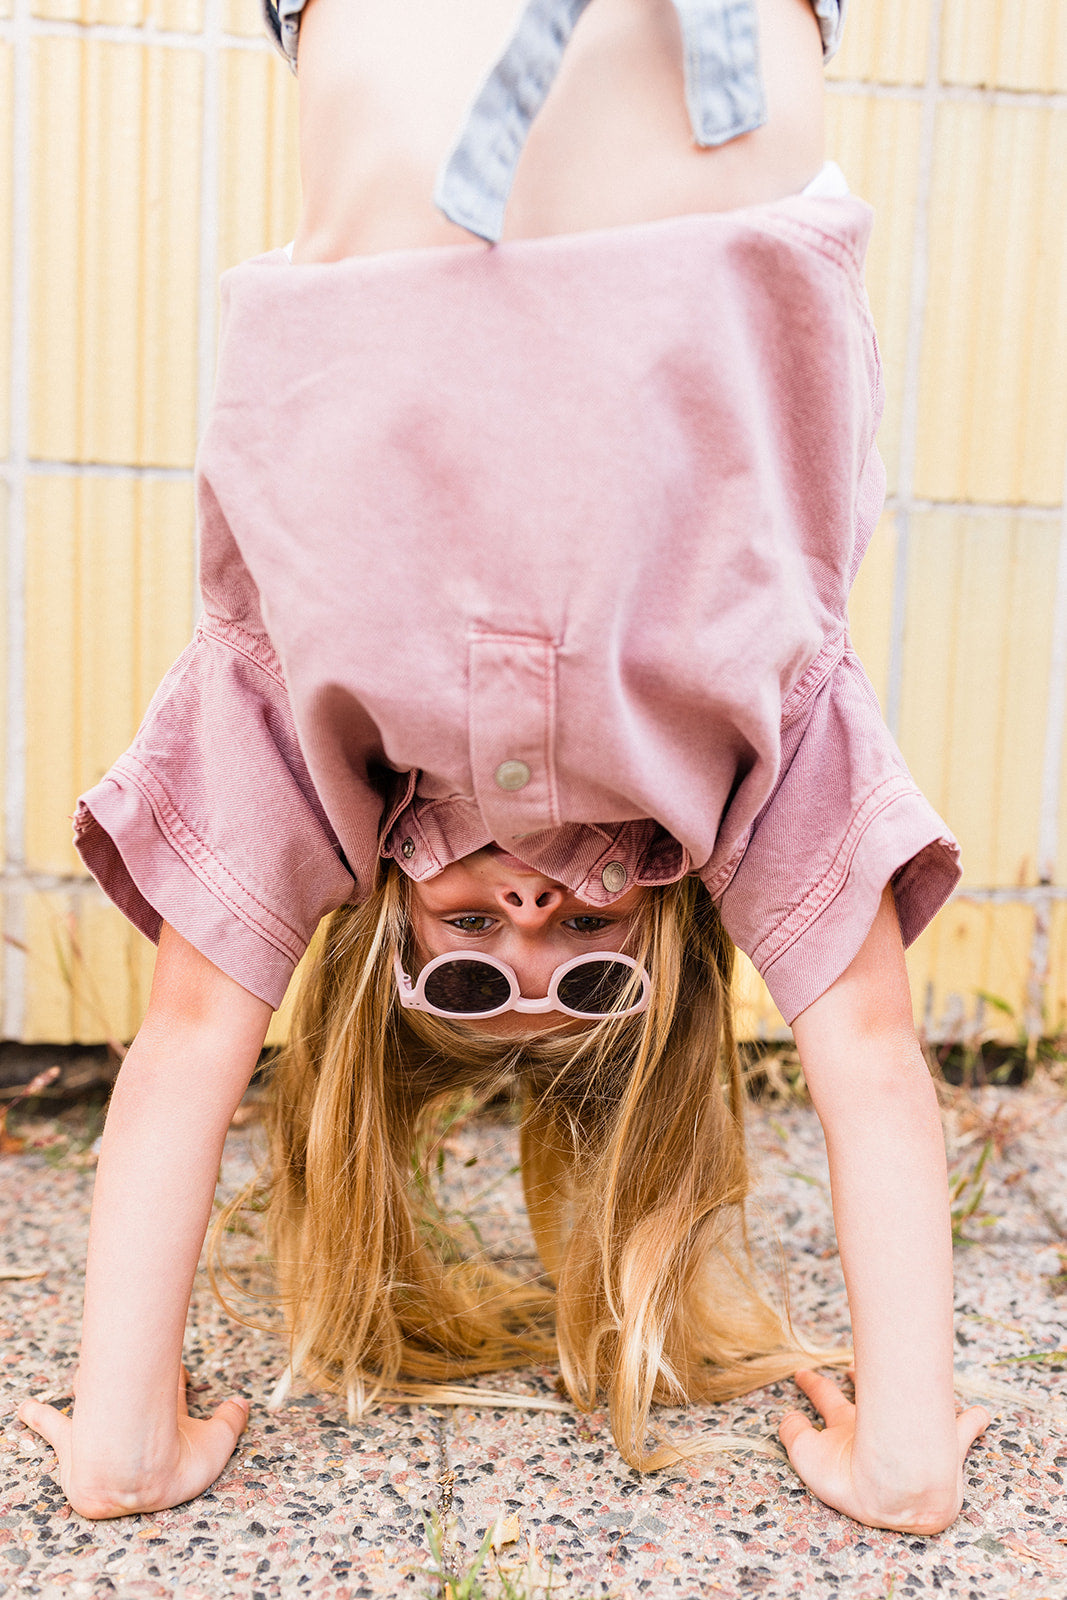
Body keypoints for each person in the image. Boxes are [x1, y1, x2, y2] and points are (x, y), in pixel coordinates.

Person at [18, 0, 989, 1534]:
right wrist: (905, 1452)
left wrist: (126, 1448)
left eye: (467, 953)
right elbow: (868, 1049)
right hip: (714, 76)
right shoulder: (753, 752)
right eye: (590, 957)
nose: (531, 919)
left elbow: (195, 1032)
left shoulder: (303, 738)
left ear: (381, 930)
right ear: (669, 938)